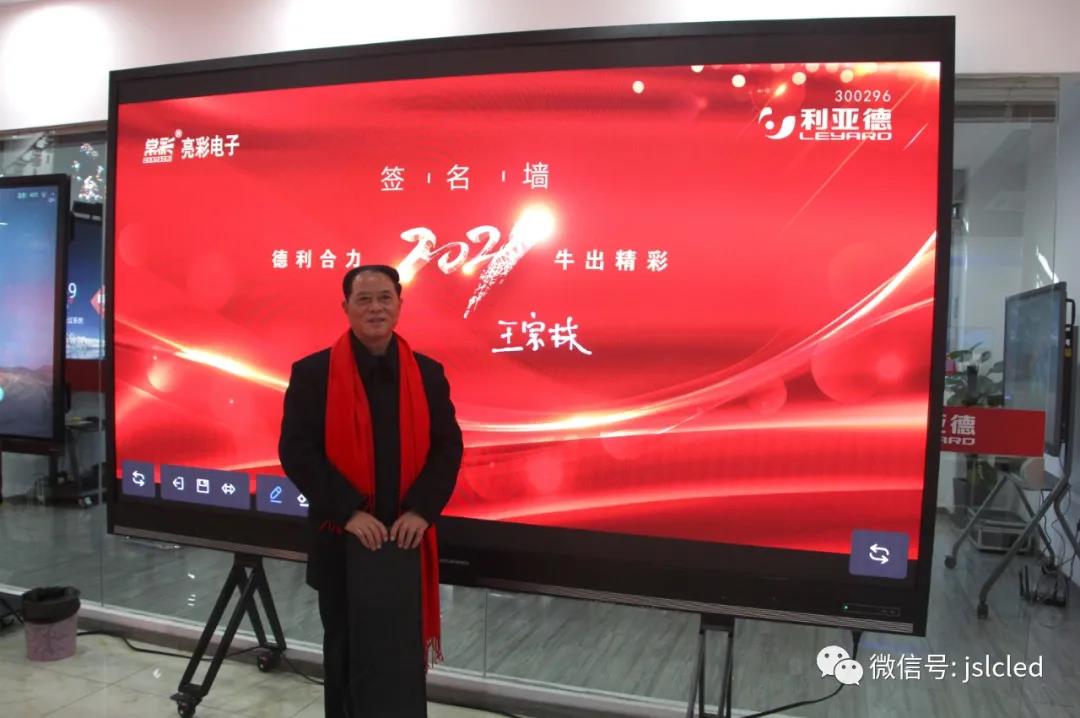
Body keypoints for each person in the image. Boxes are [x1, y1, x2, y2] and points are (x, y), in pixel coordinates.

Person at [279, 264, 463, 717]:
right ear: (345, 307)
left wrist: (421, 511)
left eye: (385, 298)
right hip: (342, 541)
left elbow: (448, 448)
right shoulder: (313, 373)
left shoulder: (428, 374)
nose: (375, 308)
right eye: (364, 299)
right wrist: (348, 513)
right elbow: (297, 452)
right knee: (344, 652)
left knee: (400, 656)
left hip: (406, 542)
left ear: (400, 305)